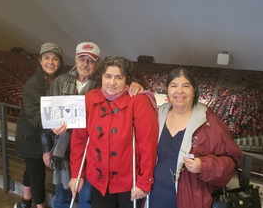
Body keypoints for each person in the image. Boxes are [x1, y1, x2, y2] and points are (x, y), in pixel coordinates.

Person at [41, 44, 145, 208]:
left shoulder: (101, 85)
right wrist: (48, 141)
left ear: (97, 64)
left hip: (91, 155)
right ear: (75, 59)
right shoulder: (60, 81)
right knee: (62, 193)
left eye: (91, 60)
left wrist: (136, 84)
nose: (85, 64)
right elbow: (46, 116)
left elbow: (119, 79)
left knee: (87, 198)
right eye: (82, 59)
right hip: (61, 147)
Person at [68, 56, 159, 208]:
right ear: (101, 77)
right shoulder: (90, 98)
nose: (112, 82)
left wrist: (144, 181)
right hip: (98, 180)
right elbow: (79, 139)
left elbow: (147, 145)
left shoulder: (138, 101)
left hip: (130, 182)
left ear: (127, 80)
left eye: (118, 77)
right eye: (108, 76)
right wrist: (76, 174)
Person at [148, 68, 242, 208]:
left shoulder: (210, 122)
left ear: (194, 91)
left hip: (190, 200)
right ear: (167, 90)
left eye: (186, 86)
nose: (179, 91)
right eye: (174, 85)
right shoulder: (157, 115)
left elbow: (231, 163)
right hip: (154, 197)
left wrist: (204, 166)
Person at [14, 42, 64, 208]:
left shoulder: (59, 81)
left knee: (30, 170)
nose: (51, 62)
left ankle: (25, 202)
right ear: (40, 61)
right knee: (37, 175)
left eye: (55, 58)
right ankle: (40, 206)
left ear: (60, 62)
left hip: (41, 133)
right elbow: (36, 117)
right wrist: (46, 148)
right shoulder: (32, 85)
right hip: (30, 136)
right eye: (47, 58)